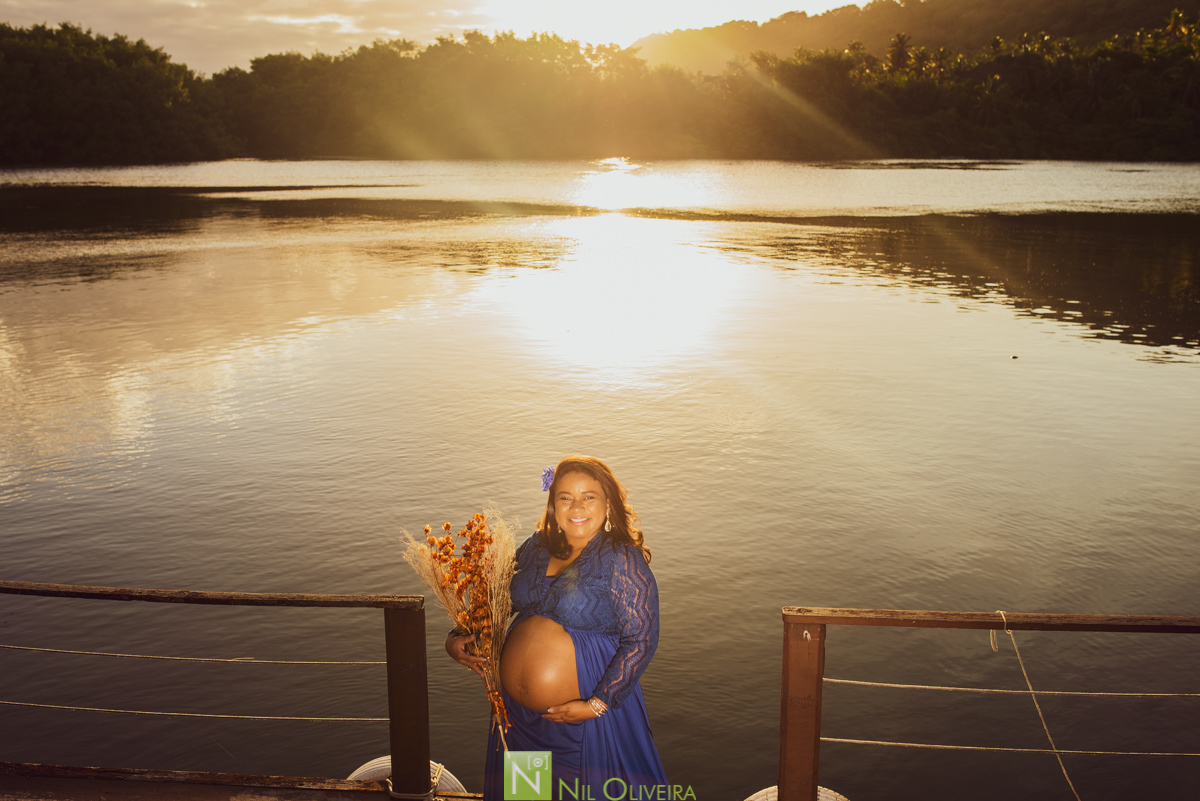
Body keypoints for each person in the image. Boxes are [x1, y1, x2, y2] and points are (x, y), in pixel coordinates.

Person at [446, 455, 667, 800]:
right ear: (553, 504)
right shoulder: (536, 546)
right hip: (517, 718)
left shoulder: (621, 558)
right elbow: (492, 603)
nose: (576, 506)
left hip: (578, 716)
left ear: (608, 503)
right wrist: (458, 637)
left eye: (588, 496)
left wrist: (597, 703)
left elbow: (641, 638)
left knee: (582, 793)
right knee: (525, 796)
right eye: (565, 497)